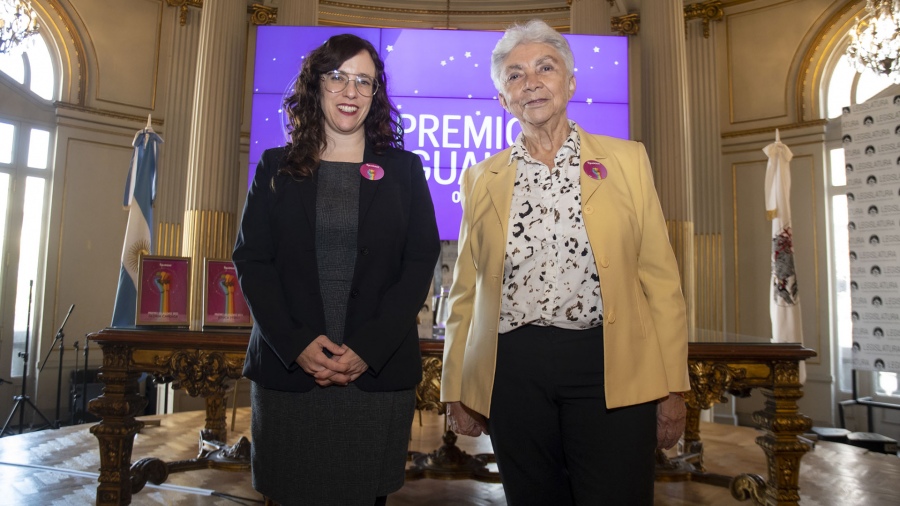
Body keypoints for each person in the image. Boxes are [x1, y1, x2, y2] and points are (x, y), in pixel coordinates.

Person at [440, 20, 689, 506]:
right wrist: (457, 387)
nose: (530, 82)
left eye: (545, 68)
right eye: (514, 75)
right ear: (502, 99)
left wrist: (673, 386)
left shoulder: (628, 161)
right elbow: (465, 291)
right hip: (513, 371)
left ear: (570, 82)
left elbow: (660, 281)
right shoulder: (480, 179)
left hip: (610, 364)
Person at [232, 34, 440, 506]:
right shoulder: (275, 167)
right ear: (316, 86)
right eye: (338, 77)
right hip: (291, 377)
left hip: (374, 378)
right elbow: (252, 261)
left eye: (363, 81)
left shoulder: (405, 170)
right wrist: (296, 343)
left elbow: (418, 262)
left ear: (375, 94)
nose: (350, 91)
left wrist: (368, 348)